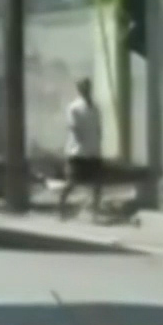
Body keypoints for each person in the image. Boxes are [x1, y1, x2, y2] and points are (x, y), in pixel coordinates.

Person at [58, 77, 103, 219]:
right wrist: (81, 139)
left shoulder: (95, 107)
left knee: (97, 184)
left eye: (88, 86)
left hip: (93, 151)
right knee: (72, 182)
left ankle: (94, 213)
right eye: (84, 87)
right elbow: (73, 127)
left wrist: (97, 141)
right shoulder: (74, 107)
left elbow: (98, 127)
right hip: (77, 152)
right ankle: (61, 209)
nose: (87, 90)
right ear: (80, 90)